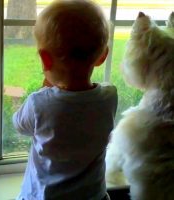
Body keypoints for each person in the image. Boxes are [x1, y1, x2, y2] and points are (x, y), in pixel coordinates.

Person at [12, 0, 118, 199]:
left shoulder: (39, 103)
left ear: (45, 59)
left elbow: (19, 125)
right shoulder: (110, 97)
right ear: (103, 56)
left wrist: (44, 90)